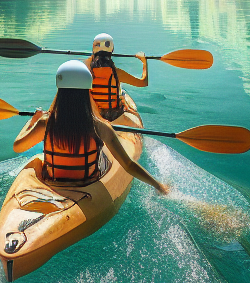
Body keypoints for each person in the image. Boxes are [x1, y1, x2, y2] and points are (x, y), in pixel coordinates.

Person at [13, 61, 168, 195]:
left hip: (53, 183)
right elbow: (128, 164)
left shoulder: (45, 123)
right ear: (89, 90)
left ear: (59, 90)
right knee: (106, 155)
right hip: (87, 185)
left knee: (38, 159)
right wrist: (159, 186)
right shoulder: (100, 127)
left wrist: (32, 121)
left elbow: (18, 147)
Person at [86, 32, 148, 121]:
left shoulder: (86, 71)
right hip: (113, 115)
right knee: (122, 94)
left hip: (94, 114)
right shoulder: (118, 73)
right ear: (112, 50)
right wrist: (144, 62)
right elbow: (143, 82)